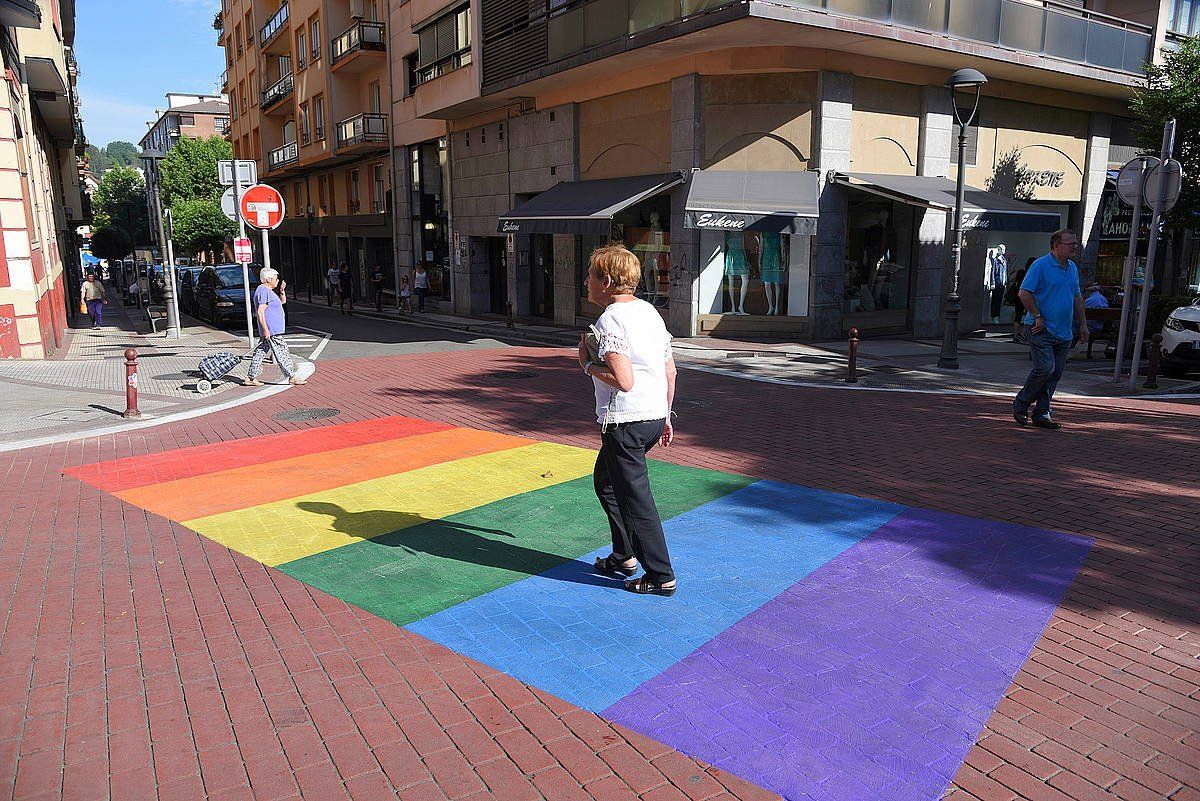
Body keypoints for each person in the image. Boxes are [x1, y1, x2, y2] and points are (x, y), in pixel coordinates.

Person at [579, 244, 678, 597]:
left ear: (606, 281)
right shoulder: (650, 312)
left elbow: (624, 380)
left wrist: (587, 364)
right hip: (651, 416)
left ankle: (661, 576)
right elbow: (669, 369)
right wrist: (666, 416)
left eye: (590, 274)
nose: (585, 281)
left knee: (636, 500)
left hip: (626, 422)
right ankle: (623, 556)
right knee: (606, 483)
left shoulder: (610, 320)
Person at [1013, 229, 1087, 430]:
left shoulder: (1072, 268)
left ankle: (1042, 413)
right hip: (1041, 329)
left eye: (1075, 243)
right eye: (1070, 243)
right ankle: (1021, 403)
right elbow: (1024, 293)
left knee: (1054, 374)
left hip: (1064, 331)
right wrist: (1037, 316)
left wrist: (1083, 324)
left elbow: (1077, 297)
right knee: (1045, 368)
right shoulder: (1040, 265)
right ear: (1056, 245)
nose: (1075, 246)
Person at [245, 267, 305, 387]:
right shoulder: (263, 290)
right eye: (276, 278)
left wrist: (282, 291)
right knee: (282, 352)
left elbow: (282, 302)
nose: (277, 280)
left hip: (271, 330)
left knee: (260, 352)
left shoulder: (267, 290)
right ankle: (291, 376)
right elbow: (260, 312)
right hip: (272, 331)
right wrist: (266, 329)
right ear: (268, 279)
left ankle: (251, 377)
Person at [1004, 262, 1031, 343]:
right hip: (1026, 297)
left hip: (1017, 298)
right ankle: (1023, 334)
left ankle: (1016, 335)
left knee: (1018, 316)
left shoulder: (1020, 273)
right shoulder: (1029, 275)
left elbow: (1013, 282)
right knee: (1029, 315)